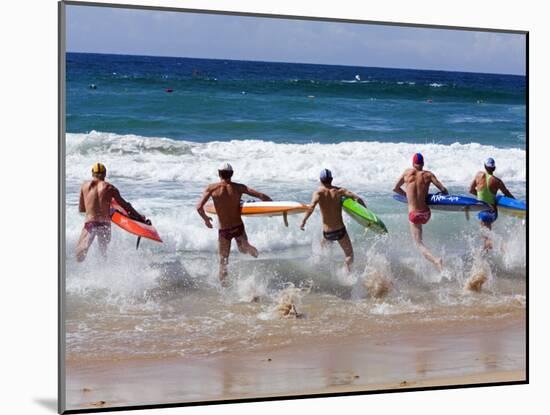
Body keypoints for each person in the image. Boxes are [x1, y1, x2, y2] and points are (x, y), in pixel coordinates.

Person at [196, 163, 272, 284]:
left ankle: (224, 289)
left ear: (219, 173)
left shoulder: (211, 188)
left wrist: (206, 219)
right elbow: (262, 196)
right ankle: (259, 257)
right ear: (232, 174)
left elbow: (199, 207)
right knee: (244, 249)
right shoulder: (239, 187)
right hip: (238, 227)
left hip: (224, 231)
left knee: (223, 261)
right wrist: (272, 208)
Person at [300, 169, 366, 273]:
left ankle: (319, 271)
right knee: (349, 255)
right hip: (340, 231)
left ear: (320, 180)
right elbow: (358, 199)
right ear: (331, 179)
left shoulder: (318, 193)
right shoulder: (340, 191)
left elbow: (311, 207)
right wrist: (366, 215)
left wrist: (303, 221)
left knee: (321, 252)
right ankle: (347, 275)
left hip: (327, 233)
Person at [77, 163, 146, 262]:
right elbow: (125, 205)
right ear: (105, 174)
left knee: (79, 256)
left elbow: (82, 209)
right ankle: (103, 272)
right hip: (105, 225)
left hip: (91, 224)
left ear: (92, 173)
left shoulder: (85, 186)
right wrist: (139, 217)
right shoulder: (110, 188)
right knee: (103, 253)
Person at [393, 153, 448, 271]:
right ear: (423, 163)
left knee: (418, 244)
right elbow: (444, 190)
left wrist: (408, 197)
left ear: (413, 163)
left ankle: (436, 260)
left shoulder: (407, 173)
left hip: (414, 215)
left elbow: (395, 189)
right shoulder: (428, 175)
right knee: (420, 233)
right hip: (426, 214)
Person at [469, 157, 515, 250]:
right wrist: (519, 205)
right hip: (492, 212)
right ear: (494, 168)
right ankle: (489, 256)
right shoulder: (497, 181)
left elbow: (470, 190)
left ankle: (502, 246)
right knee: (486, 238)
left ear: (484, 166)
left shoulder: (478, 175)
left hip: (482, 211)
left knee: (487, 240)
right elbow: (507, 194)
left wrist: (480, 197)